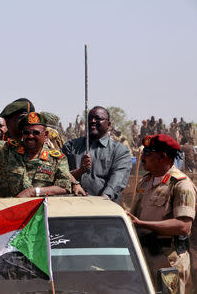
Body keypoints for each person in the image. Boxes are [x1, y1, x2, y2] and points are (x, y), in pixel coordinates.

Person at [127, 134, 196, 293]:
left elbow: (183, 226)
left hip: (168, 261)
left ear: (162, 157)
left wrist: (142, 224)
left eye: (147, 153)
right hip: (144, 257)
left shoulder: (181, 185)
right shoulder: (145, 181)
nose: (142, 158)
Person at [62, 106, 132, 201]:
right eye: (90, 119)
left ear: (109, 124)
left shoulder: (120, 151)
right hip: (71, 204)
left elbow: (117, 181)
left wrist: (102, 201)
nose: (93, 121)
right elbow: (61, 175)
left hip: (104, 208)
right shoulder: (71, 146)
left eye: (98, 118)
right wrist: (80, 171)